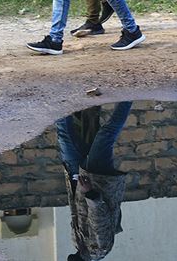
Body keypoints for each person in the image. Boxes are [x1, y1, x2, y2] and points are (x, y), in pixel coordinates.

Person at [56, 102, 133, 261]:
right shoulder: (99, 249)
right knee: (106, 134)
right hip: (97, 180)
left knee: (64, 133)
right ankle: (129, 97)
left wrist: (74, 183)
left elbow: (77, 209)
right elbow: (100, 217)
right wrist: (89, 192)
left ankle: (58, 97)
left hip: (78, 178)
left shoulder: (78, 245)